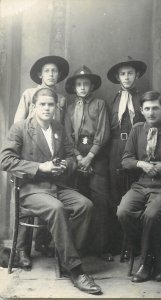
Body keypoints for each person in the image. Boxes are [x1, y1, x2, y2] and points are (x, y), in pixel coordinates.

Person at [0, 88, 102, 295]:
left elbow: (72, 156)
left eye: (51, 105)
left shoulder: (58, 128)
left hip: (57, 186)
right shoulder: (20, 128)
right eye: (43, 104)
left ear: (56, 107)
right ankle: (76, 270)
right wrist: (40, 167)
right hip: (30, 190)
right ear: (34, 106)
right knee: (57, 209)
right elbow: (5, 160)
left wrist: (66, 164)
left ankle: (67, 257)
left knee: (85, 206)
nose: (47, 108)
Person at [117, 91, 161, 282]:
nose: (151, 113)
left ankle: (147, 263)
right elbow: (126, 160)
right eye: (147, 109)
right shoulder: (137, 130)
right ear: (141, 110)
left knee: (151, 215)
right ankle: (153, 255)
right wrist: (141, 164)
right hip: (141, 185)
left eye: (155, 108)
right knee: (123, 211)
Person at [14, 55, 69, 259]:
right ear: (40, 74)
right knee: (30, 194)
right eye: (47, 71)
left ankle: (43, 242)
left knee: (53, 194)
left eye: (54, 71)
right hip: (29, 149)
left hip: (50, 149)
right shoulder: (29, 94)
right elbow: (18, 123)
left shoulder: (61, 99)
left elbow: (61, 128)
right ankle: (22, 249)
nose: (51, 74)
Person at [64, 66, 112, 260]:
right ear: (74, 87)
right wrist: (77, 157)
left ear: (91, 85)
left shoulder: (100, 104)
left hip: (96, 154)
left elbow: (103, 132)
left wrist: (90, 156)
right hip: (77, 154)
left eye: (85, 84)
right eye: (79, 84)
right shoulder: (69, 108)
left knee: (100, 200)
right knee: (79, 200)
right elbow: (67, 136)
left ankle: (102, 247)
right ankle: (78, 247)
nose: (82, 87)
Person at [107, 56, 146, 253]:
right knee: (115, 192)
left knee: (135, 190)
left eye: (130, 73)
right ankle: (117, 243)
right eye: (123, 74)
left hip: (135, 145)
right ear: (117, 77)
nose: (126, 77)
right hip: (115, 146)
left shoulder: (142, 99)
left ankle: (134, 243)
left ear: (137, 75)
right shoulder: (113, 99)